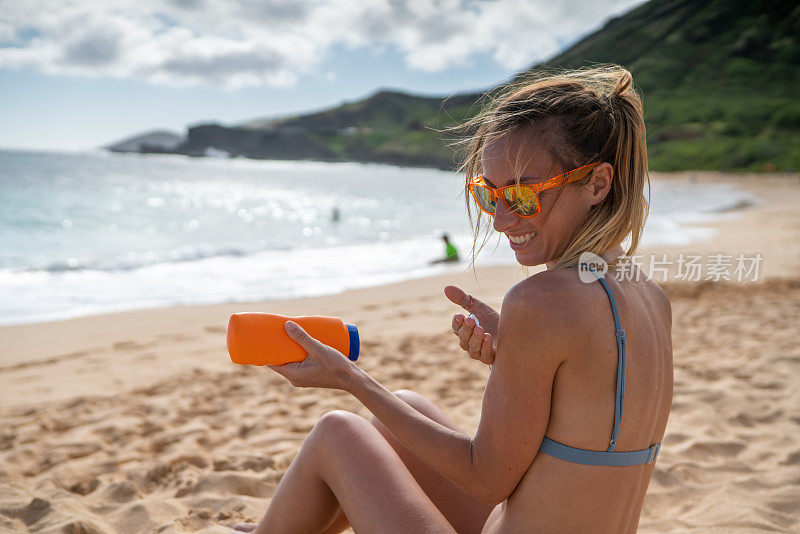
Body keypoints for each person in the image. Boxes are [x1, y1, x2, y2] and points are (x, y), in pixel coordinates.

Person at [235, 65, 674, 533]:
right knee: (408, 404)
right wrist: (518, 356)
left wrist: (351, 379)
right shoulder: (648, 294)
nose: (502, 220)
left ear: (598, 184)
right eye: (490, 194)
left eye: (525, 194)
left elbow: (486, 480)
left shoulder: (541, 300)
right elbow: (591, 408)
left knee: (337, 432)